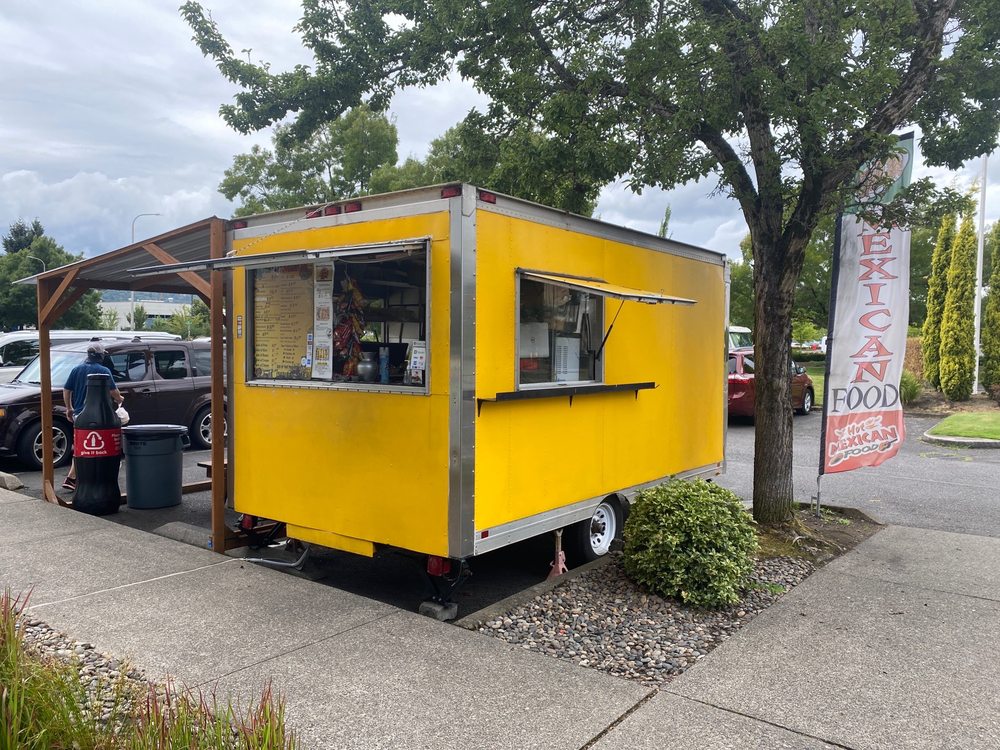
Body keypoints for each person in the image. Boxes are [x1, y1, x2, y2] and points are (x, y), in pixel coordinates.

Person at [61, 341, 123, 490]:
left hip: (79, 415)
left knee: (82, 446)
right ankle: (78, 478)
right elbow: (113, 391)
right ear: (101, 356)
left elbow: (67, 390)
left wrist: (69, 408)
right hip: (99, 417)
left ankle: (73, 478)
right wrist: (120, 399)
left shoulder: (76, 370)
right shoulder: (104, 371)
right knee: (96, 448)